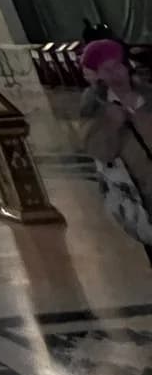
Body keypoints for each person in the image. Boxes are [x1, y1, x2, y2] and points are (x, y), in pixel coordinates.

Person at [79, 38, 152, 267]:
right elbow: (100, 151)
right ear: (98, 75)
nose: (116, 73)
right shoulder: (97, 109)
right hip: (144, 192)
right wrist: (111, 125)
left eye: (118, 65)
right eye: (107, 69)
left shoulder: (147, 96)